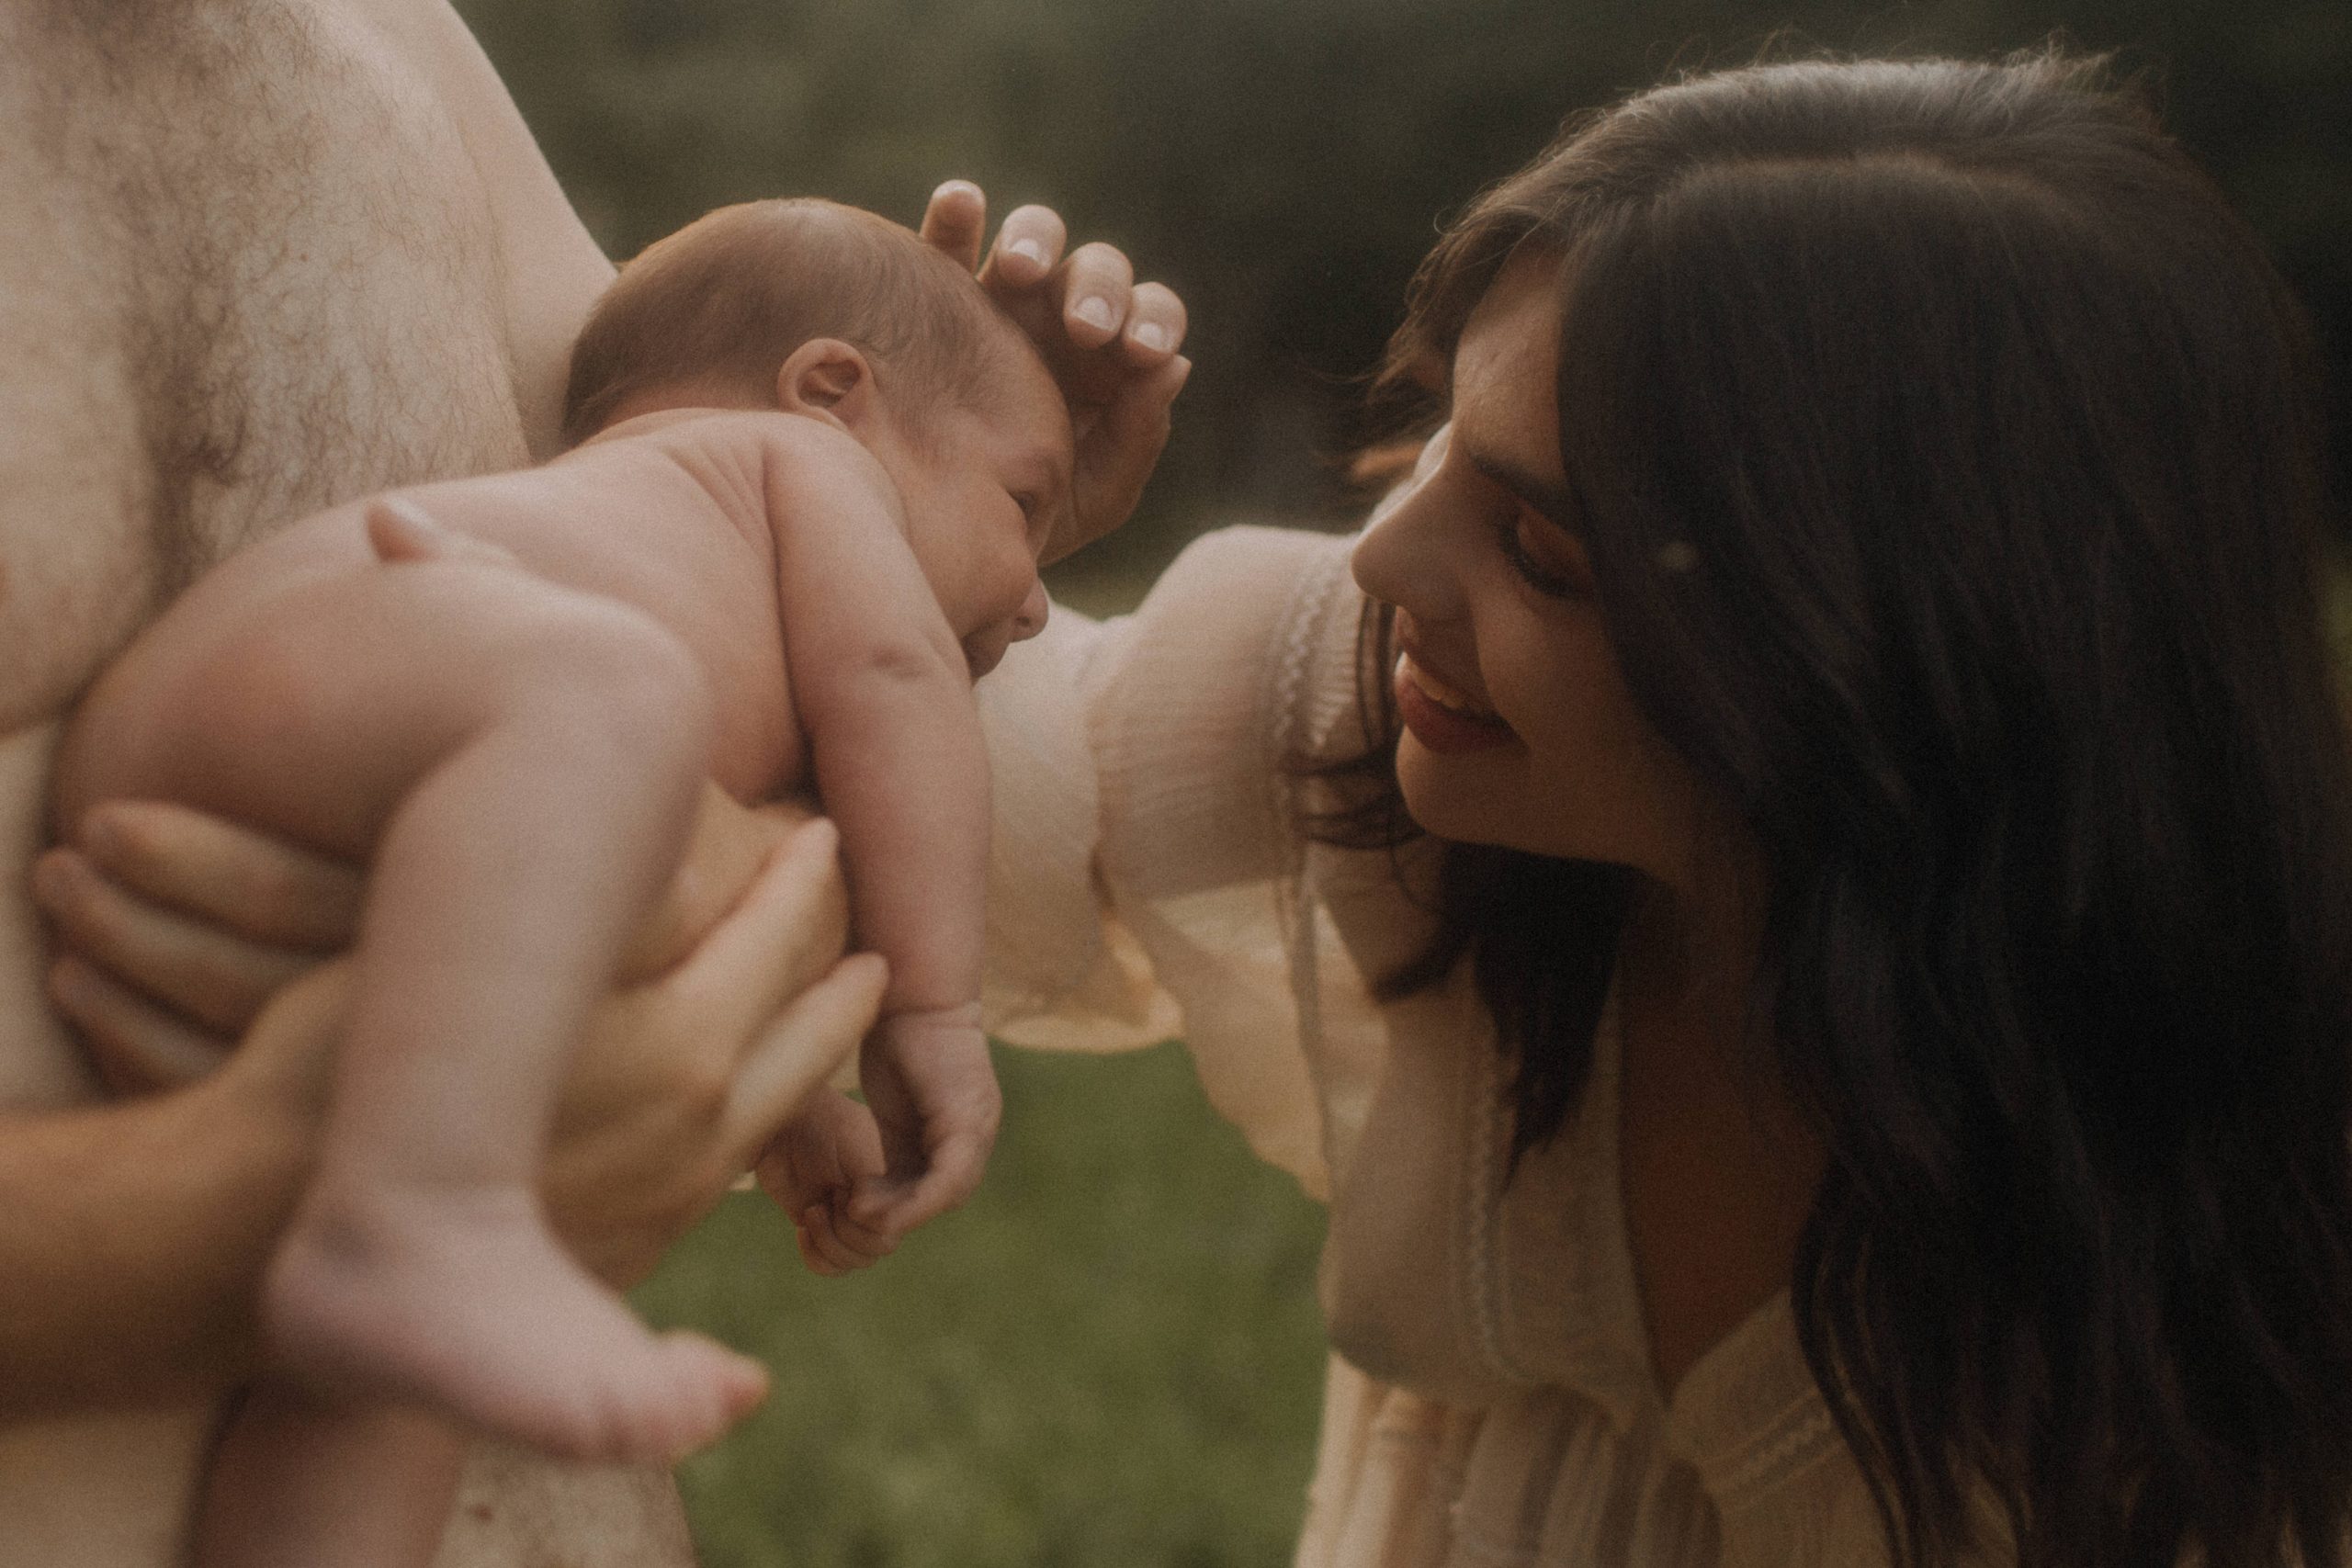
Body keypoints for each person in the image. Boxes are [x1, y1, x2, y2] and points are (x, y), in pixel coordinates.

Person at [61, 43, 2351, 1568]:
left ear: (1893, 671)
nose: (1378, 562)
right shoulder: (1351, 728)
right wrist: (978, 529)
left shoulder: (2204, 1279)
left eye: (1538, 546)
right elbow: (910, 744)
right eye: (1417, 447)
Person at [0, 2, 1187, 1564]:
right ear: (830, 390)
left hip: (356, 823)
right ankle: (411, 1217)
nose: (1033, 592)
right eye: (1025, 514)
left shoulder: (400, 47)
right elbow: (895, 692)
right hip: (312, 677)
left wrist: (778, 1084)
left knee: (390, 1383)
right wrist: (927, 1017)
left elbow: (575, 888)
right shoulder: (799, 465)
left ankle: (411, 1249)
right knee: (610, 691)